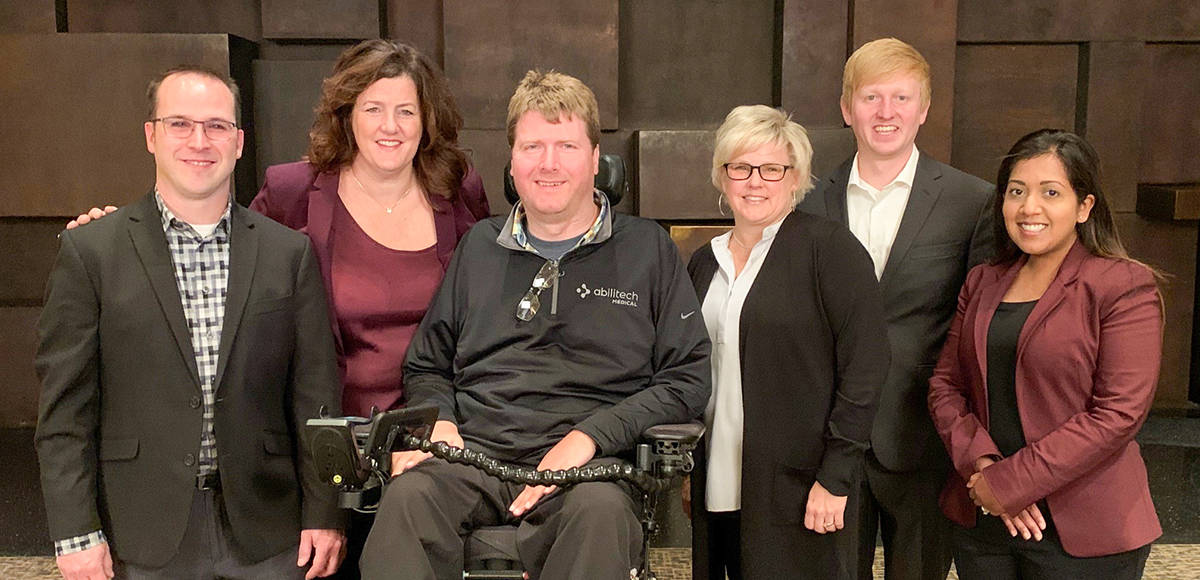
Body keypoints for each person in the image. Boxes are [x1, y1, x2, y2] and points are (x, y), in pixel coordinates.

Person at [67, 41, 491, 578]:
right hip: (321, 442)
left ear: (427, 121)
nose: (391, 125)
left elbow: (489, 291)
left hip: (429, 441)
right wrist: (114, 235)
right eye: (373, 108)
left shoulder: (457, 191)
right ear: (346, 115)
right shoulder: (294, 190)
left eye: (406, 110)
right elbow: (218, 250)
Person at [358, 70, 711, 579]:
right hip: (475, 459)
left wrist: (588, 438)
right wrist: (442, 422)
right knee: (407, 501)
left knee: (600, 517)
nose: (548, 164)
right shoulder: (477, 247)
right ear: (512, 162)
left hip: (592, 472)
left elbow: (688, 378)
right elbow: (427, 364)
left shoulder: (647, 250)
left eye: (566, 145)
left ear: (595, 160)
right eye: (532, 147)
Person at [35, 66, 344, 580]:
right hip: (140, 530)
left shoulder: (288, 253)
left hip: (268, 530)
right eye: (179, 124)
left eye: (216, 126)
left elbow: (315, 396)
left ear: (239, 142)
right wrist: (76, 534)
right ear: (151, 135)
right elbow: (64, 414)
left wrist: (325, 514)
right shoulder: (91, 252)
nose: (199, 141)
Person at [798, 37, 994, 580]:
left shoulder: (970, 201)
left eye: (902, 99)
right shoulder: (805, 202)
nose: (886, 113)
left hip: (924, 436)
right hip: (830, 439)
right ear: (846, 108)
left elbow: (976, 324)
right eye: (871, 98)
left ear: (924, 109)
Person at [927, 128, 1162, 579]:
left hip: (1086, 529)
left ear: (1084, 206)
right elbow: (945, 386)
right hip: (985, 519)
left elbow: (1117, 414)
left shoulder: (1121, 285)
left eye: (1050, 192)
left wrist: (1012, 483)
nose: (1028, 207)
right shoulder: (983, 281)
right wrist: (985, 469)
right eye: (1017, 191)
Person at [687, 105, 889, 579]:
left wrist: (835, 476)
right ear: (722, 176)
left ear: (796, 178)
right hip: (717, 477)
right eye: (740, 167)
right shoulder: (703, 261)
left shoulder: (830, 249)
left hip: (802, 486)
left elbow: (866, 365)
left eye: (772, 169)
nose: (755, 181)